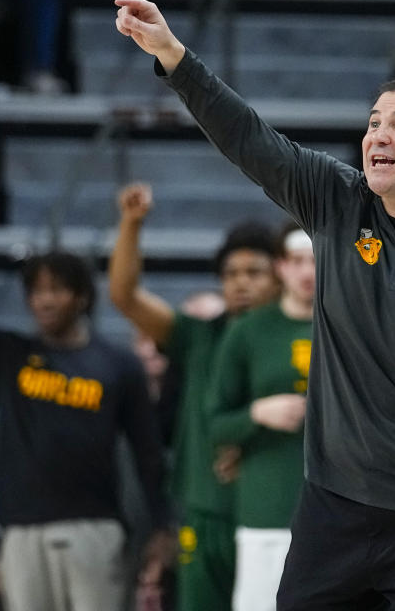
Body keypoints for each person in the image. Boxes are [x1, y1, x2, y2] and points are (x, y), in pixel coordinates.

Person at [114, 0, 395, 610]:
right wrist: (174, 56)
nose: (378, 135)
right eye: (374, 121)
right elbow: (249, 137)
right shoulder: (336, 202)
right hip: (334, 508)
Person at [0, 189, 170, 611]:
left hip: (95, 527)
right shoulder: (8, 354)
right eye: (35, 290)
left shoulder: (118, 364)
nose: (43, 300)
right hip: (21, 528)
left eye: (56, 289)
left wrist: (161, 527)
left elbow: (148, 453)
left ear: (82, 297)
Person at [108, 182, 280, 611]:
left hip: (273, 515)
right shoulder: (197, 337)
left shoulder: (298, 340)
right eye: (231, 274)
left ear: (279, 278)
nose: (240, 283)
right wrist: (131, 225)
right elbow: (124, 297)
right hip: (203, 513)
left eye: (253, 273)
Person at [208, 223, 314, 611]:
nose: (308, 272)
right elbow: (215, 424)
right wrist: (257, 413)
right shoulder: (249, 332)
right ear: (281, 268)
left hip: (338, 514)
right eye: (298, 261)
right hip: (266, 511)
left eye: (317, 261)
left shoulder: (351, 328)